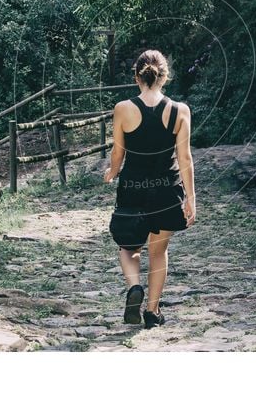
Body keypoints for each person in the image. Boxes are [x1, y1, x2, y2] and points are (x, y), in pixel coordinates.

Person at [103, 49, 196, 329]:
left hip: (133, 188)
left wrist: (111, 172)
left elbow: (118, 155)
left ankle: (134, 287)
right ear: (165, 76)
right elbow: (185, 158)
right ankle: (152, 312)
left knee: (128, 247)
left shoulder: (123, 109)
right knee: (158, 252)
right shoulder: (180, 111)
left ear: (136, 77)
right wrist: (191, 198)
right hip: (167, 190)